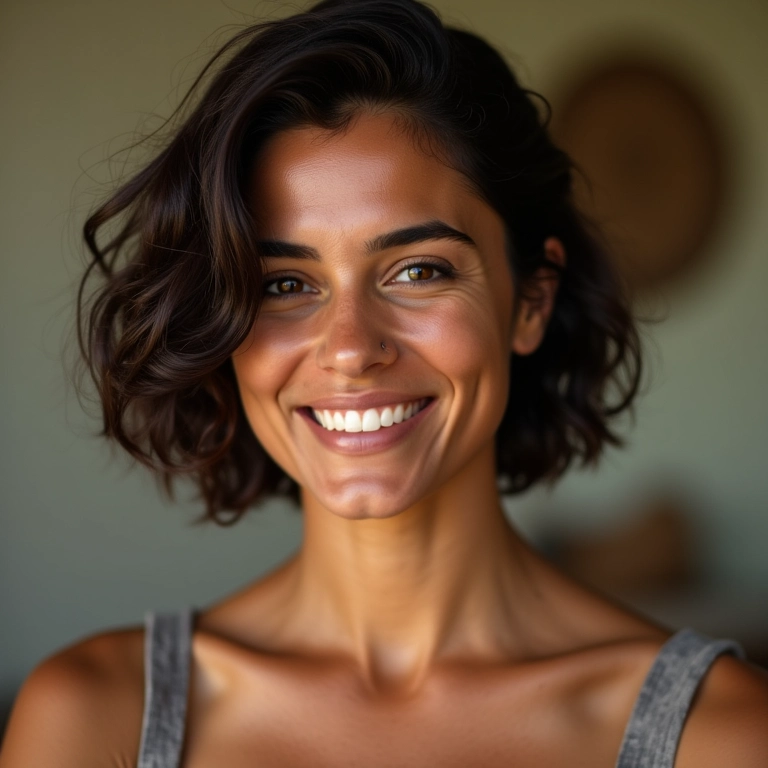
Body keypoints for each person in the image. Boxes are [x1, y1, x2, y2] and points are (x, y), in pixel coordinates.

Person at [2, 0, 767, 765]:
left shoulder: (720, 735)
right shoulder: (93, 721)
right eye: (283, 284)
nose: (349, 348)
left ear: (529, 300)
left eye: (418, 270)